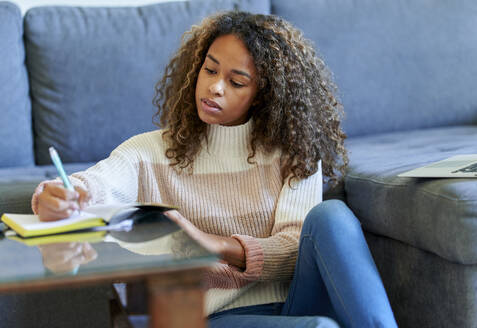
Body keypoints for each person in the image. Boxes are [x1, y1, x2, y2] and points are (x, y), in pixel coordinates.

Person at [32, 11, 397, 328]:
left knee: (331, 215)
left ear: (265, 95)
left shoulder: (295, 152)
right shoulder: (148, 152)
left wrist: (210, 244)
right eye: (209, 70)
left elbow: (292, 251)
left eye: (236, 82)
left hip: (293, 302)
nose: (214, 87)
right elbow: (97, 184)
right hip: (213, 317)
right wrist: (63, 196)